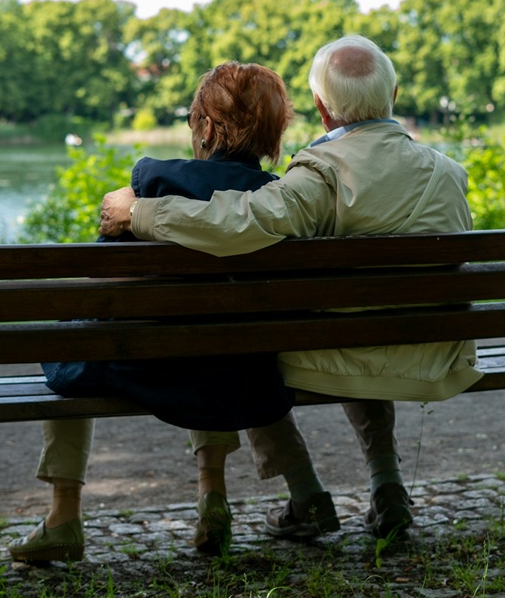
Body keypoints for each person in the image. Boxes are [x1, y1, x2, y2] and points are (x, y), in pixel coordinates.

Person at [99, 34, 481, 540]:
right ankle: (388, 485)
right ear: (394, 95)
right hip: (433, 353)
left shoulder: (321, 171)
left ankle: (305, 495)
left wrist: (142, 212)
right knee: (365, 324)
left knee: (246, 340)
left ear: (322, 109)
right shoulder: (448, 173)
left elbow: (239, 222)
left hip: (345, 352)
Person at [8, 61, 296, 562]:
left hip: (140, 362)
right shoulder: (280, 197)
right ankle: (212, 494)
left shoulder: (154, 182)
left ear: (207, 126)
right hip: (235, 370)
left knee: (72, 336)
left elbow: (101, 282)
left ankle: (63, 515)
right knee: (213, 345)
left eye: (192, 119)